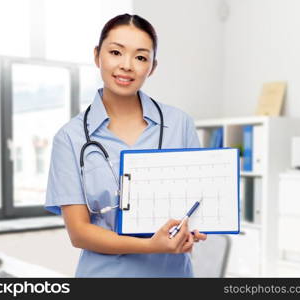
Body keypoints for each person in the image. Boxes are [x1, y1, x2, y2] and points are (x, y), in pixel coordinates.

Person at [45, 13, 207, 278]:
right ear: (98, 56)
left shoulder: (180, 124)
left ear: (152, 67)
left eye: (141, 57)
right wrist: (149, 245)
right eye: (116, 52)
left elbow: (197, 202)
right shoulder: (70, 138)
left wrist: (196, 228)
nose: (127, 65)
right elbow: (79, 232)